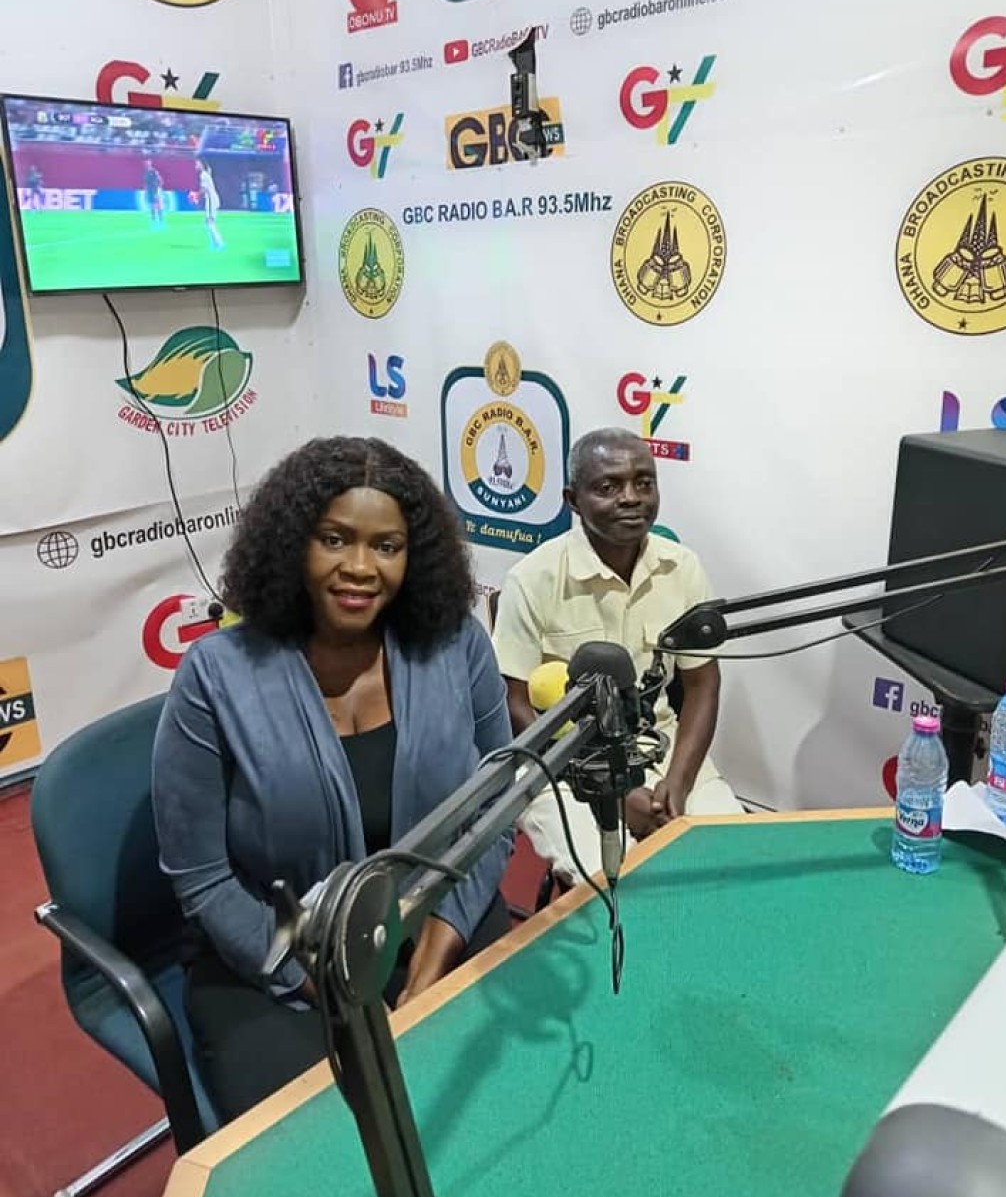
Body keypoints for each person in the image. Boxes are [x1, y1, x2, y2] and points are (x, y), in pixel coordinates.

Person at [152, 436, 514, 1121]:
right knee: (327, 1145)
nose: (360, 568)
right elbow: (201, 878)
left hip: (437, 922)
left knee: (503, 1094)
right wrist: (335, 985)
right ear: (293, 543)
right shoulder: (215, 677)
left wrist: (434, 957)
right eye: (334, 539)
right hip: (275, 963)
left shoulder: (456, 645)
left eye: (387, 546)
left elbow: (496, 807)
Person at [491, 428, 743, 884]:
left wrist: (678, 784)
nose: (630, 498)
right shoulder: (532, 579)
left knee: (730, 859)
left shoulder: (682, 568)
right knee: (620, 880)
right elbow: (515, 706)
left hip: (658, 746)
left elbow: (703, 683)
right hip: (560, 764)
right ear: (573, 500)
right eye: (608, 487)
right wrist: (616, 795)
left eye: (644, 483)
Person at [194, 157, 224, 249]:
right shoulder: (206, 173)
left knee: (209, 221)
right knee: (209, 221)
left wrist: (196, 195)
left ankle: (218, 243)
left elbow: (204, 189)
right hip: (212, 198)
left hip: (211, 199)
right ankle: (215, 243)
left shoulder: (203, 175)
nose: (196, 165)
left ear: (202, 164)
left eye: (197, 163)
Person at [142, 159, 164, 228]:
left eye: (147, 163)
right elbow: (145, 183)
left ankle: (161, 220)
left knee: (158, 205)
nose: (146, 164)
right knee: (152, 206)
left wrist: (158, 189)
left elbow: (160, 180)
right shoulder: (146, 173)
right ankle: (153, 220)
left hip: (155, 190)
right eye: (145, 163)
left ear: (150, 164)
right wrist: (146, 191)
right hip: (150, 191)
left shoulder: (154, 171)